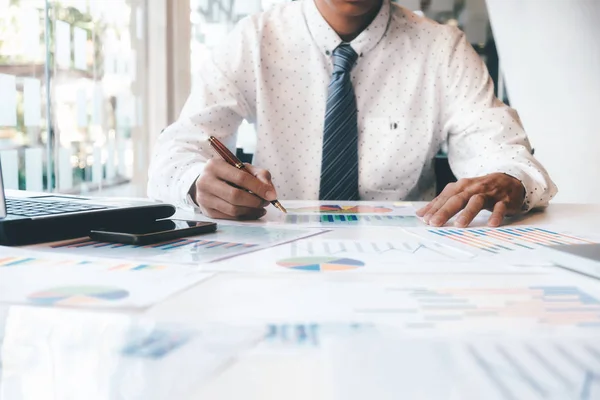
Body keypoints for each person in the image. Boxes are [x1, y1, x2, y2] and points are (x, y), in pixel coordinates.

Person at [148, 0, 557, 228]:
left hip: (405, 269)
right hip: (277, 265)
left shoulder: (442, 49)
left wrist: (509, 181)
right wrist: (195, 182)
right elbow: (175, 153)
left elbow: (508, 157)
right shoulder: (254, 40)